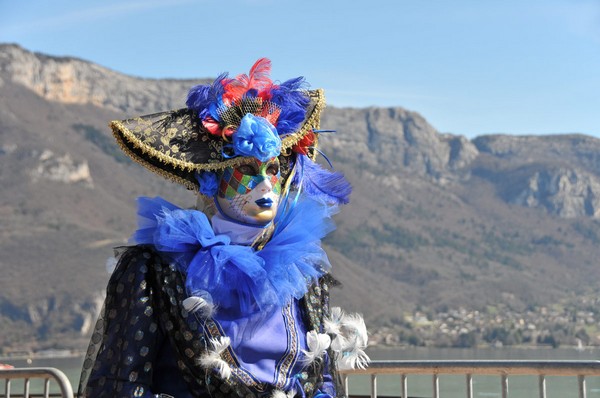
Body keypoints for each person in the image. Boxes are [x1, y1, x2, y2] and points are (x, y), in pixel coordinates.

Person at [78, 59, 369, 398]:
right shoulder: (155, 271)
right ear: (210, 180)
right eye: (246, 168)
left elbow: (323, 381)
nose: (265, 185)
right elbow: (120, 384)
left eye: (273, 169)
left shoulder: (302, 271)